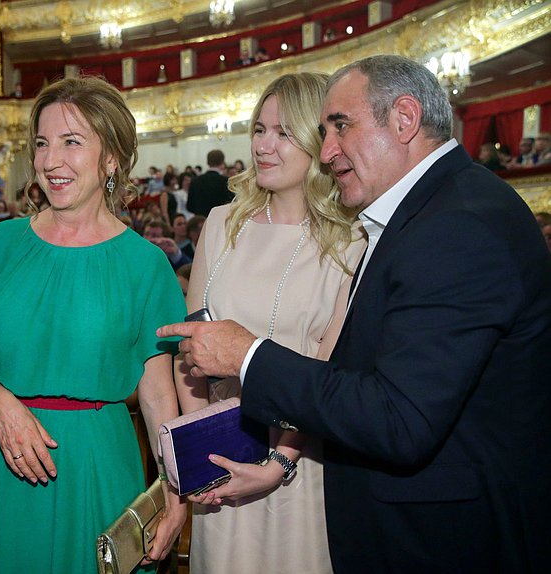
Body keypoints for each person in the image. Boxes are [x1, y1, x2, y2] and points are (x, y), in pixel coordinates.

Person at [159, 55, 551, 573]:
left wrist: (248, 359)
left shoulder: (457, 226)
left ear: (405, 119)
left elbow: (399, 415)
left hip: (446, 535)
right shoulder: (427, 214)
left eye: (340, 126)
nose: (327, 150)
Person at [0, 76, 187, 573]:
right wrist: (0, 404)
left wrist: (175, 491)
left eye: (71, 142)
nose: (49, 160)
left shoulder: (145, 265)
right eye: (41, 143)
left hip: (97, 466)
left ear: (112, 158)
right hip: (2, 456)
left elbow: (158, 395)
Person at [175, 72, 363, 574]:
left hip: (302, 466)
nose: (264, 145)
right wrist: (199, 452)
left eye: (283, 132)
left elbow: (327, 370)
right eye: (260, 129)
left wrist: (278, 464)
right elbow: (190, 349)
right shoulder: (220, 224)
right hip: (221, 460)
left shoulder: (352, 243)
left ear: (319, 142)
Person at [186, 149, 233, 216]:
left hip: (200, 221)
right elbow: (231, 204)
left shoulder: (196, 181)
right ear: (222, 162)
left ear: (207, 162)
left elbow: (189, 206)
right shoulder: (226, 181)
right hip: (219, 220)